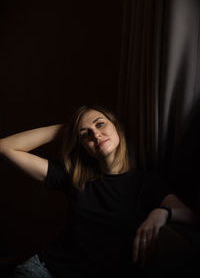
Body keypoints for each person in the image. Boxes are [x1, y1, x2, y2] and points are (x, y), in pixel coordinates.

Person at [0, 105, 197, 278]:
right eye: (85, 134)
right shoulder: (75, 176)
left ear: (116, 126)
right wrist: (65, 130)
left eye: (100, 124)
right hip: (48, 270)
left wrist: (161, 212)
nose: (95, 134)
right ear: (84, 147)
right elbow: (6, 147)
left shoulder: (145, 183)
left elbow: (189, 215)